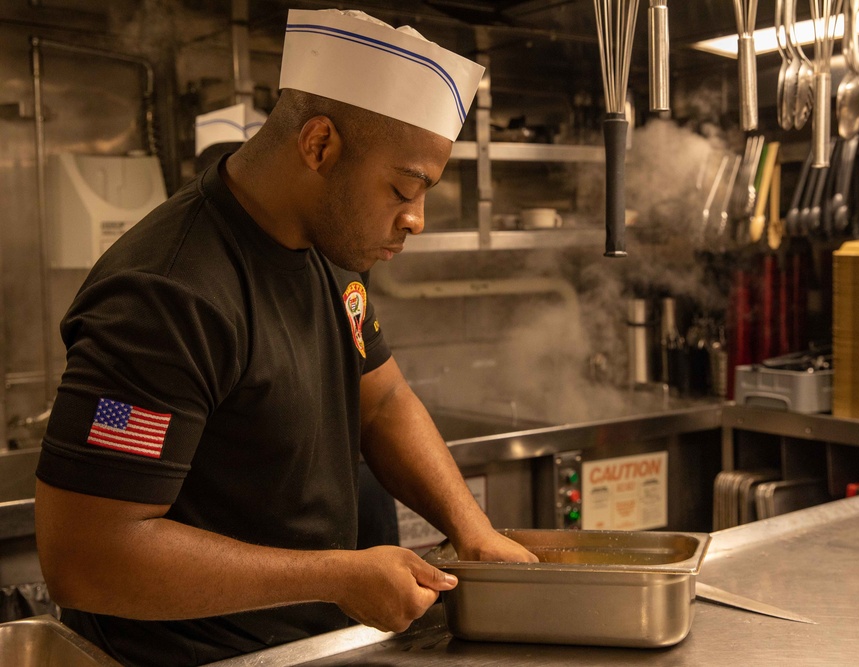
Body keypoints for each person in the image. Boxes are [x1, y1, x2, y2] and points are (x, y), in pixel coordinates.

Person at [33, 9, 536, 666]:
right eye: (404, 188)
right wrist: (336, 575)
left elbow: (381, 401)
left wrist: (474, 531)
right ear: (319, 145)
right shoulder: (167, 295)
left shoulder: (332, 250)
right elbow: (88, 557)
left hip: (313, 648)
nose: (414, 219)